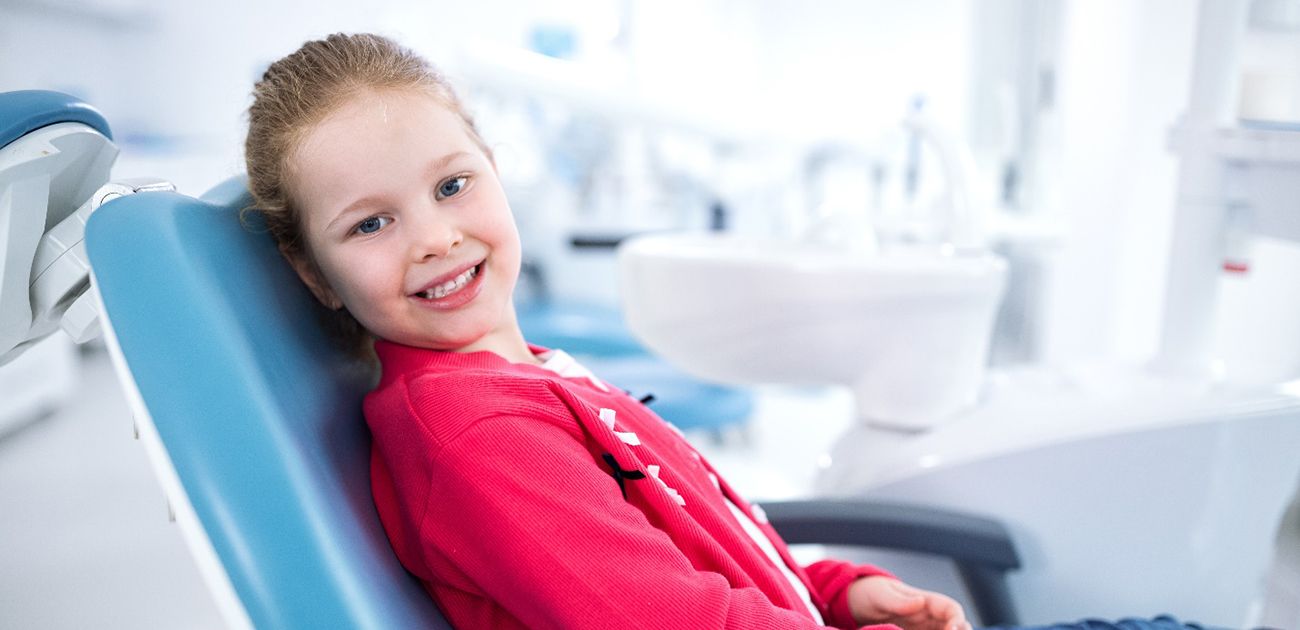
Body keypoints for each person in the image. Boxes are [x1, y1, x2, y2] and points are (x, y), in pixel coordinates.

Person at [243, 33, 1218, 630]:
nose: (435, 237)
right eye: (370, 224)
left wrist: (836, 590)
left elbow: (695, 547)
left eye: (453, 184)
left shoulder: (522, 378)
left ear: (494, 169)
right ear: (310, 272)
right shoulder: (476, 438)